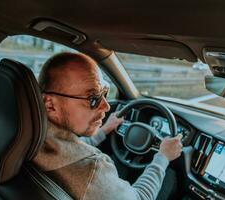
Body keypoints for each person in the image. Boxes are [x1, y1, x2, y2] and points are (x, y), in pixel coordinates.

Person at [33, 52, 183, 200]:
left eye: (104, 92)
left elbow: (70, 148)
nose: (106, 106)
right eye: (93, 98)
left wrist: (103, 130)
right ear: (50, 105)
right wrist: (162, 158)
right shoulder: (92, 169)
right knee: (170, 178)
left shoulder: (31, 135)